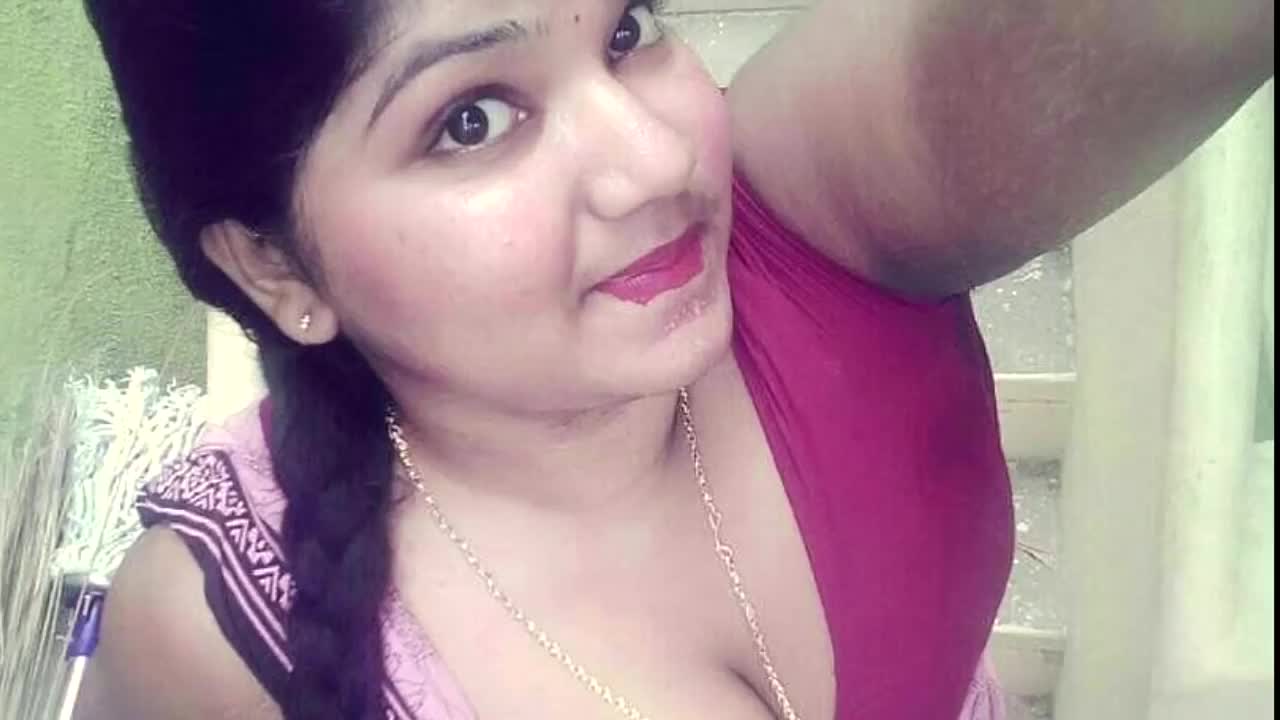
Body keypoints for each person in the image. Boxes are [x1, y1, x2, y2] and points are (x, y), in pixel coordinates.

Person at [74, 1, 1274, 719]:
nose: (656, 161)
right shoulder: (215, 634)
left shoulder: (807, 217)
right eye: (471, 119)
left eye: (627, 30)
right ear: (275, 268)